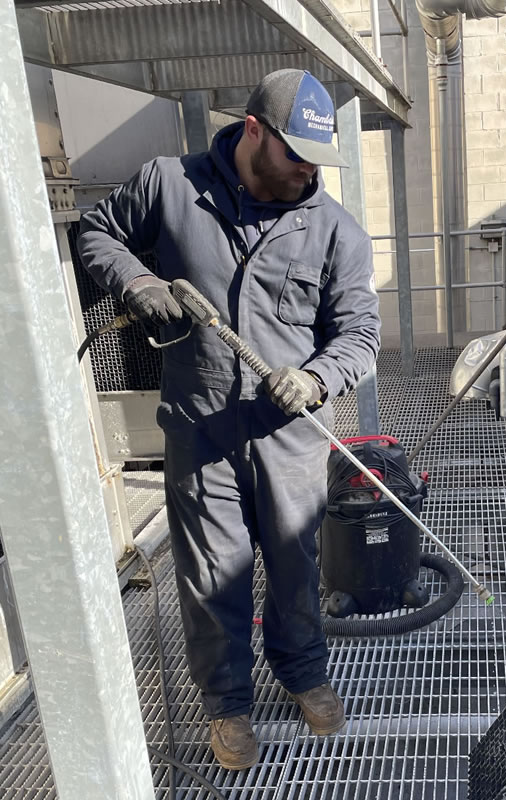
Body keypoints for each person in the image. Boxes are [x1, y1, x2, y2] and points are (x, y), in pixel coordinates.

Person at [78, 69, 381, 770]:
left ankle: (302, 672)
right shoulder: (169, 185)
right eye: (295, 153)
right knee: (214, 572)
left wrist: (313, 376)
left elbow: (359, 336)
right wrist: (140, 281)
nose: (307, 171)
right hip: (200, 425)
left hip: (291, 434)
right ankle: (227, 705)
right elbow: (99, 235)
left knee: (296, 563)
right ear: (253, 130)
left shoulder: (335, 232)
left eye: (317, 159)